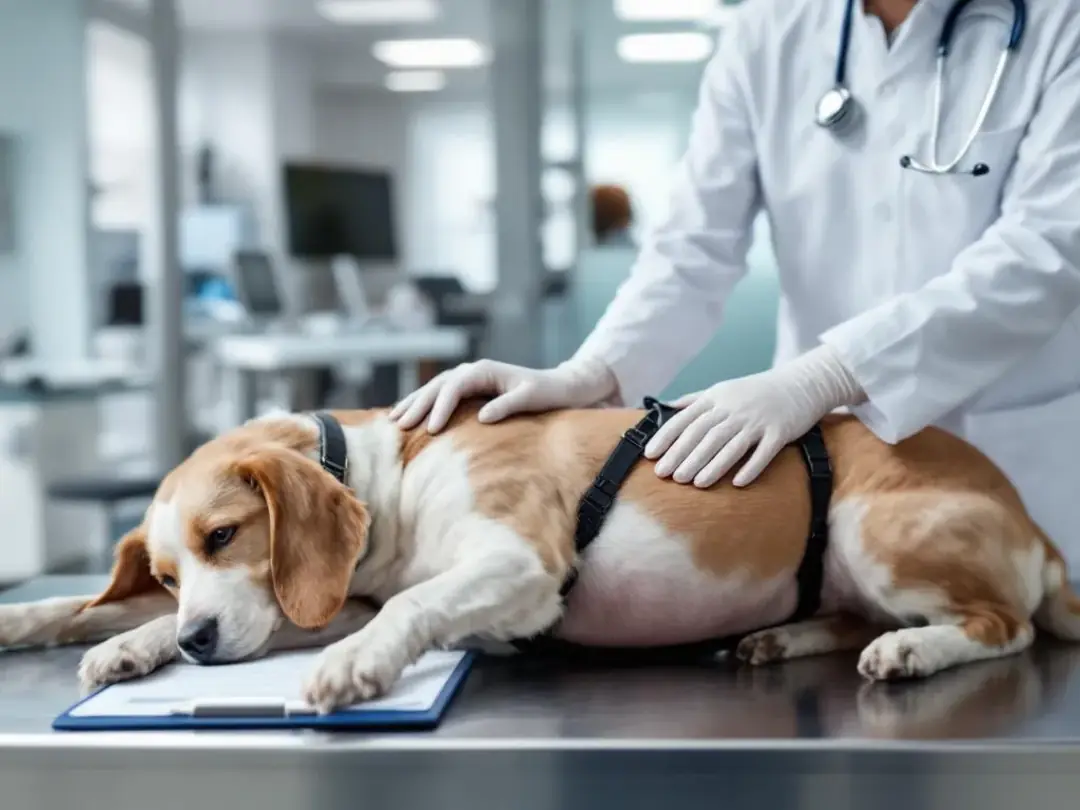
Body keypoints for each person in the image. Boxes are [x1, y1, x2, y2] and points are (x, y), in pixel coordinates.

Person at [391, 0, 1080, 566]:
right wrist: (596, 372)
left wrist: (829, 373)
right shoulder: (768, 30)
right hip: (834, 471)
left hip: (1014, 455)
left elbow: (1049, 248)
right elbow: (692, 247)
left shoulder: (1060, 22)